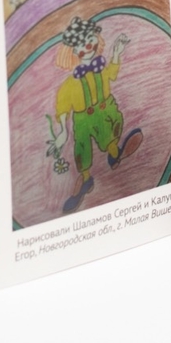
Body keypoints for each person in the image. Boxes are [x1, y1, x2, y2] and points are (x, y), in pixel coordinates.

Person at [47, 16, 143, 214]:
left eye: (90, 39)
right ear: (73, 52)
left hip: (105, 109)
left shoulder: (101, 69)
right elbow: (62, 107)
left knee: (110, 132)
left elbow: (112, 74)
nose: (88, 46)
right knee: (82, 148)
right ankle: (85, 179)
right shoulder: (69, 85)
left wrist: (116, 53)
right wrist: (63, 131)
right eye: (81, 44)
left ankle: (115, 154)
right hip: (82, 119)